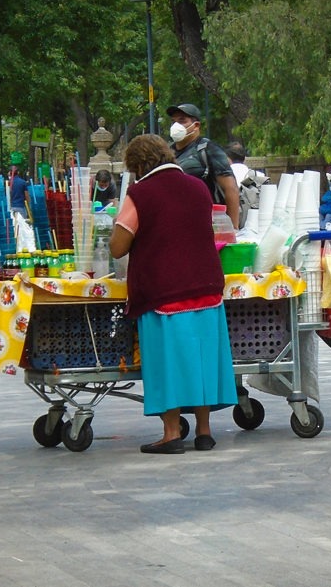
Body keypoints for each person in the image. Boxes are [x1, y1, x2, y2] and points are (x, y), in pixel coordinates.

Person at [109, 134, 237, 454]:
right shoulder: (198, 188)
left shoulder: (140, 193)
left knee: (167, 362)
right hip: (206, 286)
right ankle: (204, 432)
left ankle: (171, 434)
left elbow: (118, 246)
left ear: (138, 166)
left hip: (164, 290)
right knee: (203, 358)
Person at [167, 103, 241, 228]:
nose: (176, 126)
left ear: (196, 125)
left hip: (206, 223)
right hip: (175, 223)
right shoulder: (167, 153)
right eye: (173, 121)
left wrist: (233, 229)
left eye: (182, 121)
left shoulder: (208, 149)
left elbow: (231, 188)